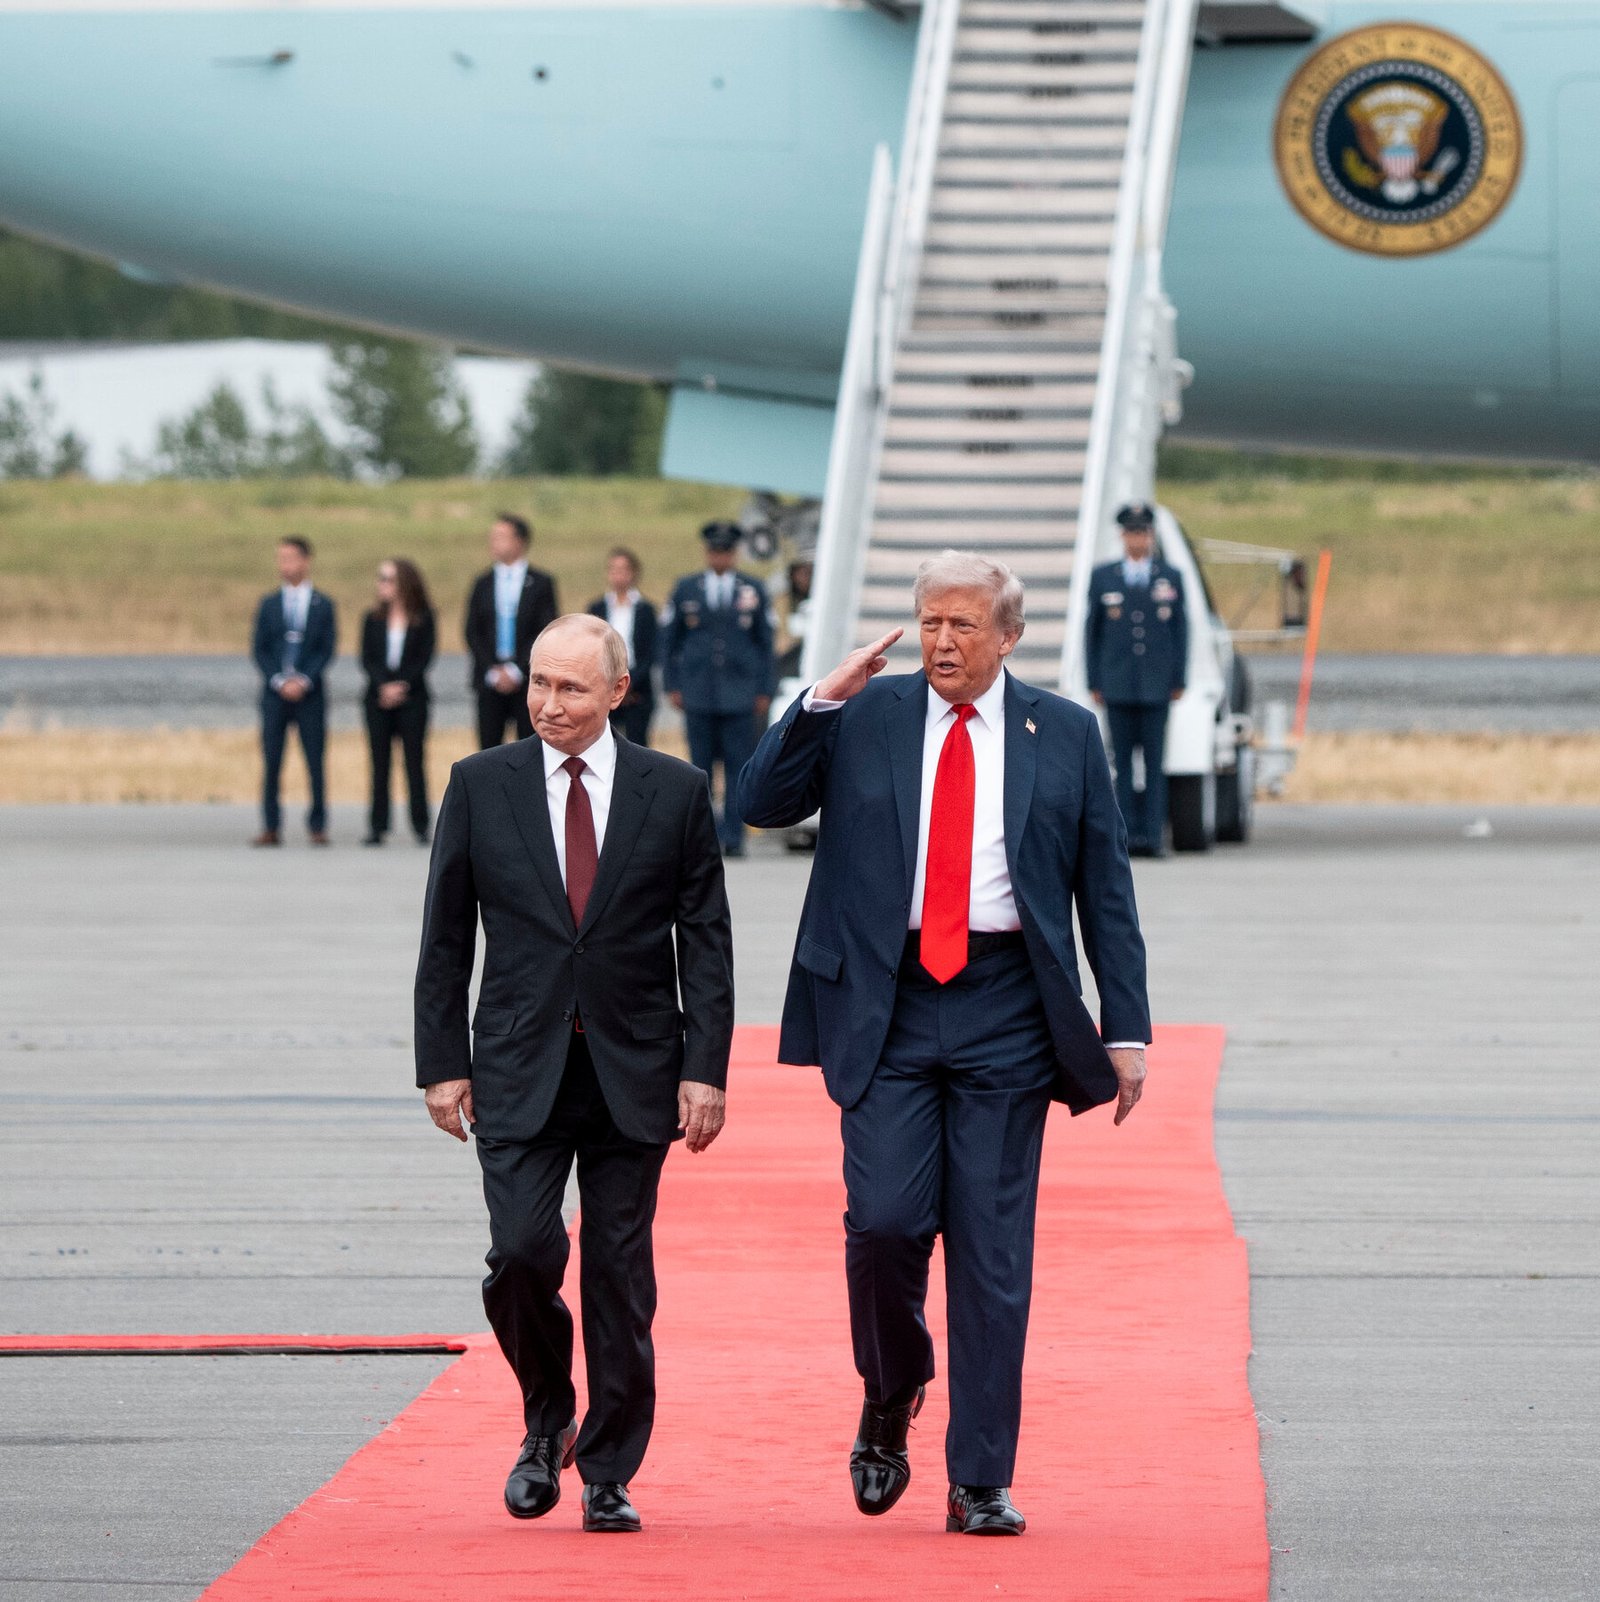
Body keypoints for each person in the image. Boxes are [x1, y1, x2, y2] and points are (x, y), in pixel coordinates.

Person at [736, 550, 1150, 1537]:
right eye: (929, 623)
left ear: (1009, 637)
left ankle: (980, 1478)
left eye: (963, 625)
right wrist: (818, 700)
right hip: (886, 1001)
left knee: (992, 1253)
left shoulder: (1065, 732)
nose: (941, 642)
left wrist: (1126, 1027)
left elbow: (1105, 891)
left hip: (1008, 1004)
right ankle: (891, 1387)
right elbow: (758, 803)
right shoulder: (867, 714)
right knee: (884, 1222)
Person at [414, 614, 734, 1535]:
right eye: (540, 684)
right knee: (521, 1255)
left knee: (618, 1277)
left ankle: (608, 1468)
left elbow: (705, 941)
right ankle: (547, 1414)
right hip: (516, 1064)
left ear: (618, 693)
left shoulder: (675, 792)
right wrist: (442, 1063)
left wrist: (704, 1068)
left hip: (637, 1067)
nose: (549, 704)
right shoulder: (480, 784)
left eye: (571, 688)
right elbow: (446, 936)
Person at [661, 521, 775, 857]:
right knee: (700, 768)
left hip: (740, 692)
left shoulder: (753, 589)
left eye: (726, 551)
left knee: (739, 765)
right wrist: (672, 684)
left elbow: (766, 643)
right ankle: (705, 834)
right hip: (698, 691)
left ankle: (735, 836)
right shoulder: (686, 588)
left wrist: (764, 688)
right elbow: (669, 641)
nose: (720, 557)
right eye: (715, 550)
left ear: (734, 553)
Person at [1084, 503, 1189, 858]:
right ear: (1123, 535)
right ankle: (1126, 837)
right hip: (1117, 684)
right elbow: (1093, 632)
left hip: (1157, 686)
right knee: (1123, 765)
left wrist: (1179, 678)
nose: (1137, 539)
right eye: (1131, 532)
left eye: (1142, 532)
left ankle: (1154, 835)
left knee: (1155, 764)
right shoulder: (1104, 576)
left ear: (1151, 535)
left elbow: (1180, 631)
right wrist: (1094, 680)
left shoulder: (1169, 576)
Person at [250, 536, 337, 847]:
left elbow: (326, 649)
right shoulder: (269, 604)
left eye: (290, 558)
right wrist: (279, 679)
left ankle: (317, 824)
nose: (284, 565)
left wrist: (303, 680)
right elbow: (260, 649)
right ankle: (271, 825)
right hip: (275, 695)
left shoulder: (323, 605)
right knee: (272, 760)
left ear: (305, 560)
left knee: (315, 760)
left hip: (310, 695)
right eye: (281, 558)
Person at [464, 513, 559, 749]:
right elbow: (472, 630)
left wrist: (516, 669)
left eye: (501, 536)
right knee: (488, 750)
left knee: (531, 747)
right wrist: (493, 669)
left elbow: (545, 630)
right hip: (490, 680)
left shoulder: (541, 583)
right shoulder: (482, 582)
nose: (493, 542)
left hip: (527, 679)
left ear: (519, 541)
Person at [360, 557, 437, 846]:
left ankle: (420, 824)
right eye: (380, 578)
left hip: (412, 697)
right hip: (377, 699)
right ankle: (377, 825)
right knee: (379, 762)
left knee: (414, 760)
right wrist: (383, 685)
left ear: (404, 583)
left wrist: (403, 684)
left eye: (388, 579)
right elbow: (367, 658)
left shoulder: (424, 617)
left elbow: (425, 657)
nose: (381, 584)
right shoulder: (372, 618)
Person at [586, 546, 657, 746]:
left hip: (637, 690)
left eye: (623, 570)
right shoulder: (597, 607)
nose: (618, 575)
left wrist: (629, 683)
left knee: (636, 744)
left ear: (633, 573)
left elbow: (651, 651)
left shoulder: (646, 610)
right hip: (603, 685)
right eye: (614, 569)